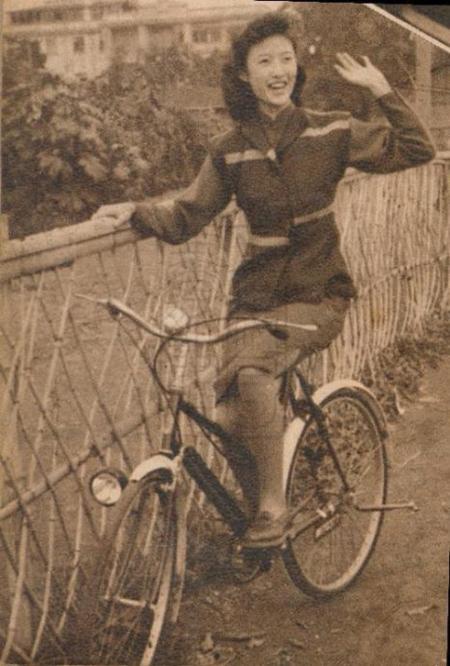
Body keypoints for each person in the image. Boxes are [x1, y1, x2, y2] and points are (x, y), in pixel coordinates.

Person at [93, 13, 435, 548]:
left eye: (285, 59)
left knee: (252, 374)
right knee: (228, 415)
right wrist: (134, 211)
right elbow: (186, 216)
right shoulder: (230, 148)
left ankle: (274, 508)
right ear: (244, 75)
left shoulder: (331, 129)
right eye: (264, 61)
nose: (278, 71)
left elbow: (417, 150)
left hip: (318, 292)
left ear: (296, 67)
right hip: (253, 298)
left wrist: (382, 91)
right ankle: (258, 520)